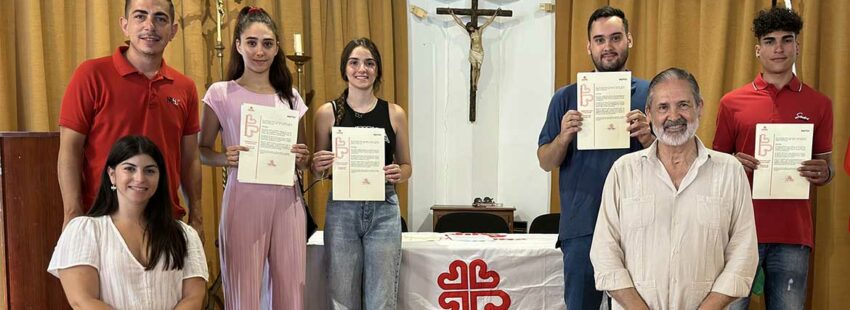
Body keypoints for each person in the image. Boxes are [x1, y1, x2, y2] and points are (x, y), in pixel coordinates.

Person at [590, 68, 758, 309]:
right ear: (648, 113)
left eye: (683, 105)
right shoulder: (623, 172)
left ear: (699, 107)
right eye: (663, 107)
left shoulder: (730, 171)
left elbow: (743, 255)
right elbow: (604, 253)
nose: (673, 116)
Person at [713, 7, 834, 309]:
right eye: (769, 41)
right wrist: (732, 164)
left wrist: (824, 173)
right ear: (758, 49)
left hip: (793, 235)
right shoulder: (732, 102)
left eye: (786, 40)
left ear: (797, 46)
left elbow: (827, 167)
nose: (778, 48)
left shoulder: (819, 103)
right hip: (739, 232)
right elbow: (714, 165)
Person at [57, 0, 204, 242]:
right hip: (102, 220)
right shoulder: (91, 75)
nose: (150, 25)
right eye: (140, 16)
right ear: (125, 25)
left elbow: (190, 158)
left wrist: (197, 217)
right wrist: (73, 215)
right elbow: (70, 150)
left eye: (160, 18)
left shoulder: (185, 88)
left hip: (164, 222)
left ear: (173, 31)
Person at [536, 6, 653, 309]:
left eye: (615, 38)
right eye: (599, 40)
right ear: (589, 46)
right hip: (582, 225)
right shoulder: (566, 97)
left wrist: (648, 137)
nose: (608, 46)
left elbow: (678, 159)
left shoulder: (652, 94)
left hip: (640, 226)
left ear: (630, 40)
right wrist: (563, 137)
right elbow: (546, 161)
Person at [198, 6, 310, 309]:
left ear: (276, 49)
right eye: (252, 42)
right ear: (238, 45)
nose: (259, 51)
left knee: (291, 291)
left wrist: (303, 157)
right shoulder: (221, 94)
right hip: (242, 199)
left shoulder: (290, 97)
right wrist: (225, 158)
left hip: (288, 202)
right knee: (242, 291)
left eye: (267, 44)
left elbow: (304, 157)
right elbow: (202, 151)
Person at [48, 135, 208, 309]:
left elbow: (193, 298)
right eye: (130, 169)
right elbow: (83, 301)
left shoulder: (185, 235)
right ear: (112, 175)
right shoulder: (85, 231)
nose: (140, 178)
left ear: (159, 177)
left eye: (149, 171)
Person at [311, 37, 412, 309]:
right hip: (342, 209)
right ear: (344, 69)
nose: (362, 69)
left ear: (377, 69)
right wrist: (318, 165)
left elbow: (406, 167)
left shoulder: (394, 113)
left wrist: (398, 174)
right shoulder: (326, 113)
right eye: (354, 62)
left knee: (381, 299)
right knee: (342, 297)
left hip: (384, 208)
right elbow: (317, 171)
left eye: (369, 63)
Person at [449, 8, 500, 93]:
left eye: (470, 27)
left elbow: (488, 22)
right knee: (474, 68)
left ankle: (476, 83)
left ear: (472, 26)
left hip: (480, 52)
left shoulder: (479, 30)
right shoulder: (470, 33)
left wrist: (495, 14)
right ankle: (473, 84)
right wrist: (452, 14)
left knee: (479, 69)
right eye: (468, 28)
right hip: (473, 52)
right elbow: (460, 23)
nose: (470, 29)